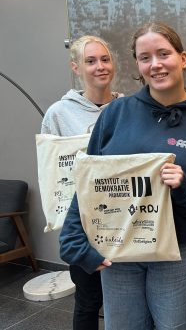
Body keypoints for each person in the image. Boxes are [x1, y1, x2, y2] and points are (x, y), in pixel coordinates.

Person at [59, 22, 186, 330]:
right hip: (120, 252)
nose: (155, 64)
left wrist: (185, 186)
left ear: (183, 58)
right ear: (138, 64)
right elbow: (89, 181)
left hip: (179, 253)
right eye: (145, 57)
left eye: (163, 54)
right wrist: (72, 238)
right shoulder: (116, 113)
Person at [41, 35, 122, 330]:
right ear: (76, 67)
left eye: (105, 59)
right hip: (83, 225)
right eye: (90, 61)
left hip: (124, 220)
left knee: (124, 298)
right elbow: (53, 173)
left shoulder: (129, 107)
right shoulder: (59, 114)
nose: (100, 67)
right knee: (88, 301)